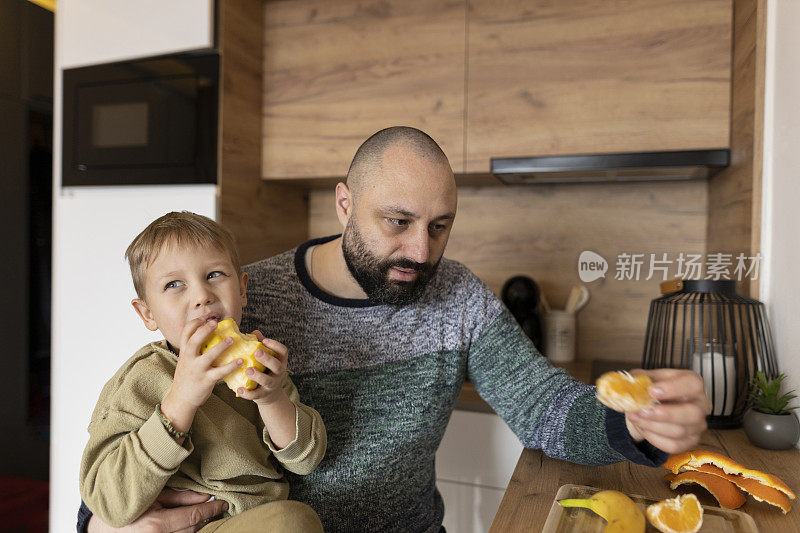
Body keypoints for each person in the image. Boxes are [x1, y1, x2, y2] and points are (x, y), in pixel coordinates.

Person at [81, 127, 710, 532]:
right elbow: (147, 411)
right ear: (345, 204)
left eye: (440, 226)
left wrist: (632, 424)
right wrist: (99, 524)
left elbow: (546, 408)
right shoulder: (240, 296)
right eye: (398, 222)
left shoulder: (457, 295)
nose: (419, 250)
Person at [78, 212, 327, 531]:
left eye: (214, 275)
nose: (201, 296)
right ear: (147, 314)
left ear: (242, 289)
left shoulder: (262, 365)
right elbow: (108, 501)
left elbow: (307, 460)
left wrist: (271, 398)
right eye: (174, 284)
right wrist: (180, 400)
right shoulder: (142, 378)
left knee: (292, 520)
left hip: (256, 520)